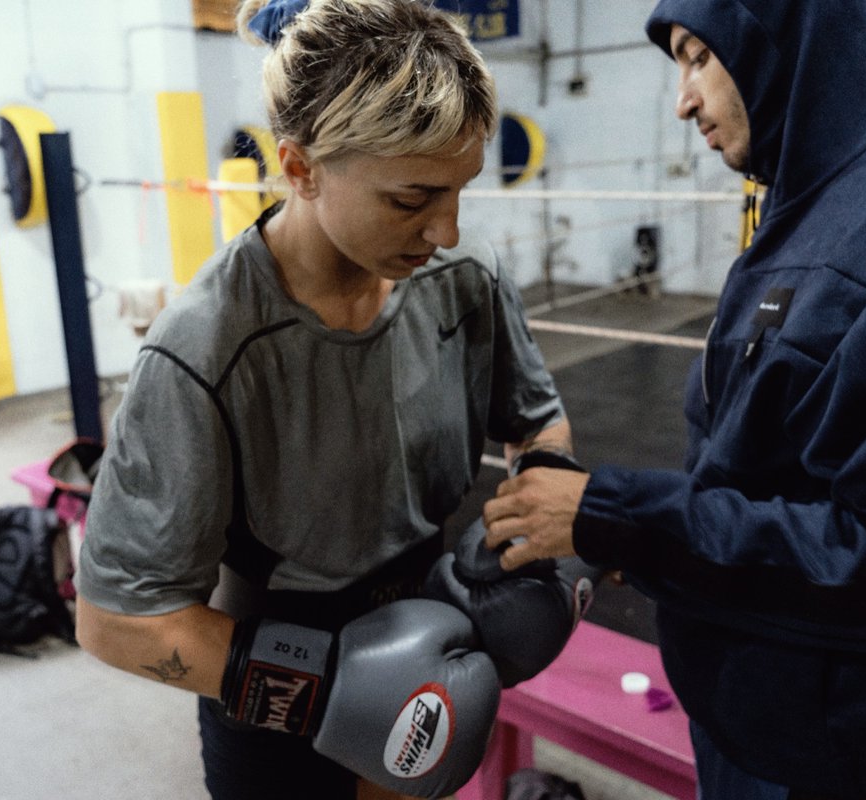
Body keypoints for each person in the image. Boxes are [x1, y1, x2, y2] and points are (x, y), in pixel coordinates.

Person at [482, 1, 866, 799]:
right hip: (752, 723)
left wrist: (624, 518)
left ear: (790, 37)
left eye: (697, 57)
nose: (682, 99)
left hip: (855, 756)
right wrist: (651, 547)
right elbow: (760, 477)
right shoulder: (804, 209)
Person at [73, 0, 573, 798]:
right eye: (411, 199)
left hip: (436, 620)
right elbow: (112, 619)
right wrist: (325, 687)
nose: (445, 229)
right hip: (273, 657)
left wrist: (538, 525)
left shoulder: (460, 277)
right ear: (301, 167)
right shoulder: (204, 350)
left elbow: (537, 420)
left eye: (460, 191)